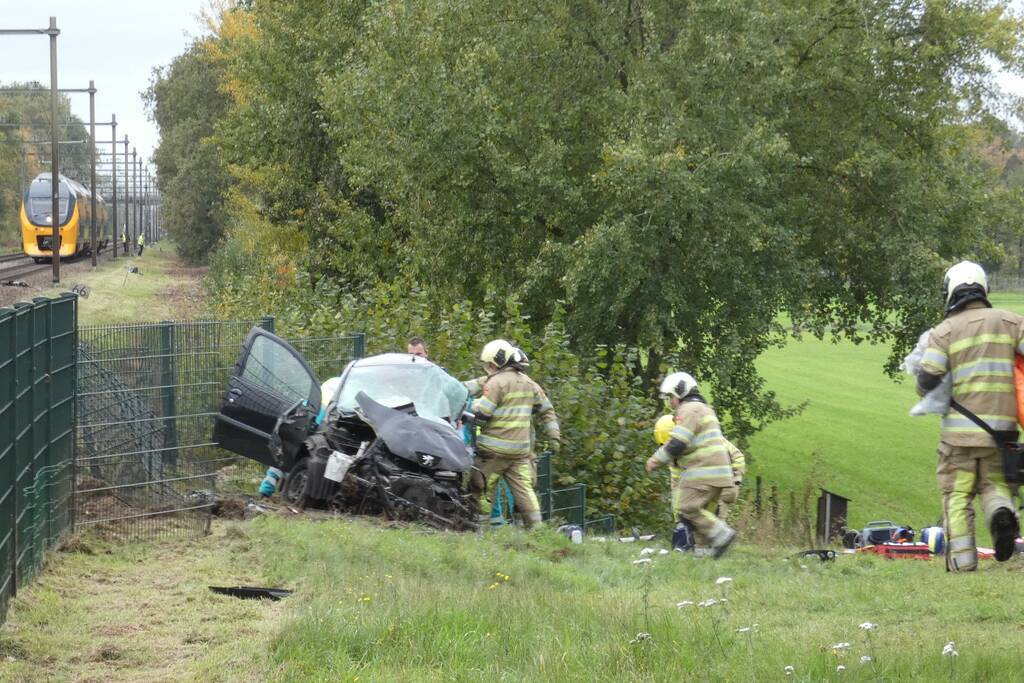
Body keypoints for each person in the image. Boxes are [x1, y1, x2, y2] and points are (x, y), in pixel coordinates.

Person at [916, 260, 1022, 571]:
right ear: (983, 287)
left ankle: (962, 563)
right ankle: (1001, 513)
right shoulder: (1011, 322)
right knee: (994, 485)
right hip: (1001, 434)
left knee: (958, 494)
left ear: (950, 291)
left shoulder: (945, 331)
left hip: (959, 438)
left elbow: (927, 379)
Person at [469, 339, 560, 529]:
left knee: (482, 488)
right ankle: (537, 529)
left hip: (493, 452)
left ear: (495, 363)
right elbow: (547, 410)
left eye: (489, 364)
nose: (488, 368)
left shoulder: (496, 383)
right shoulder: (529, 383)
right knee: (525, 491)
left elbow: (483, 414)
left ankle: (479, 530)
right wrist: (554, 437)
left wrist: (474, 406)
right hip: (520, 453)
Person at [645, 372, 737, 558]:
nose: (670, 403)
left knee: (685, 507)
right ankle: (703, 552)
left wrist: (655, 460)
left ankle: (722, 534)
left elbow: (678, 442)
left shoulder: (688, 410)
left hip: (704, 471)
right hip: (720, 472)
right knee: (699, 512)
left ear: (680, 393)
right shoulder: (705, 409)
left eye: (671, 397)